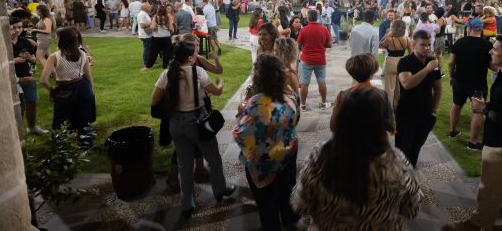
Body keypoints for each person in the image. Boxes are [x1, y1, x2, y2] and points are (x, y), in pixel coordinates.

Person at [292, 87, 422, 229]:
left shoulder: (318, 157)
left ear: (341, 120)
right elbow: (412, 210)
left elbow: (300, 205)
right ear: (379, 123)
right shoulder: (397, 162)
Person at [443, 36, 502, 231]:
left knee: (488, 190)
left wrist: (485, 108)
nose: (490, 52)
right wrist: (488, 106)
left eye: (494, 49)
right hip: (501, 143)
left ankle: (477, 224)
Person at [150, 42, 235, 218]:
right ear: (189, 58)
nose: (197, 56)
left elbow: (154, 101)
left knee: (184, 164)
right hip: (197, 122)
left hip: (175, 123)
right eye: (195, 54)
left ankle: (187, 204)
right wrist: (220, 82)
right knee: (213, 157)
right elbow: (216, 92)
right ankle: (220, 190)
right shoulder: (198, 72)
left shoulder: (167, 74)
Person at [233, 54, 300, 230]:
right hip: (286, 153)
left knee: (267, 202)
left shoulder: (255, 103)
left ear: (258, 76)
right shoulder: (291, 97)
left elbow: (241, 134)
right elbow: (294, 121)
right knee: (287, 190)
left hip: (262, 162)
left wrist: (240, 114)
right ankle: (290, 217)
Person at [40, 27, 96, 149]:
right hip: (83, 87)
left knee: (60, 121)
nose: (55, 38)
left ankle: (61, 149)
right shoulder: (82, 53)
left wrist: (53, 91)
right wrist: (91, 91)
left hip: (64, 89)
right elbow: (88, 75)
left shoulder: (54, 57)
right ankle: (86, 146)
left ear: (62, 40)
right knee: (83, 120)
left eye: (57, 36)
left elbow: (43, 80)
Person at [395, 29, 442, 167]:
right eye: (423, 45)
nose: (427, 48)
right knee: (403, 151)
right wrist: (427, 69)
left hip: (425, 114)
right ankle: (399, 182)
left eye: (429, 44)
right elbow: (407, 84)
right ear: (414, 44)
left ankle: (410, 180)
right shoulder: (405, 62)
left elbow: (438, 89)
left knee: (415, 150)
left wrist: (433, 109)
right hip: (406, 114)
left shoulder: (432, 62)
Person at [447, 18, 494, 150]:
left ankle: (452, 131)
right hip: (478, 83)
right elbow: (492, 65)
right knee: (478, 111)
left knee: (457, 104)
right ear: (480, 30)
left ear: (469, 28)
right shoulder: (487, 45)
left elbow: (451, 62)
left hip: (459, 80)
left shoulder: (459, 42)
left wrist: (451, 76)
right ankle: (473, 142)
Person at [330, 53, 395, 134]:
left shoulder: (342, 95)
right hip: (376, 142)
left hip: (349, 141)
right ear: (372, 73)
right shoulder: (383, 95)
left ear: (352, 74)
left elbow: (333, 126)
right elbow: (390, 125)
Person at [11, 17, 47, 135]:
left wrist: (30, 58)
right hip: (11, 78)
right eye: (14, 28)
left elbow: (33, 59)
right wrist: (13, 61)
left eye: (20, 27)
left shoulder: (25, 42)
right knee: (18, 106)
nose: (17, 30)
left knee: (32, 101)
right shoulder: (4, 43)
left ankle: (32, 127)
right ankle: (16, 132)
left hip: (27, 77)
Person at [297, 10, 333, 111]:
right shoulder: (324, 29)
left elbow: (298, 45)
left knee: (304, 83)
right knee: (321, 81)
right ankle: (323, 103)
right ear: (317, 17)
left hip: (306, 60)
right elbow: (330, 44)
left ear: (308, 18)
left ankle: (303, 105)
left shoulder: (303, 30)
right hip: (320, 59)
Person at [380, 19, 411, 108]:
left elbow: (381, 45)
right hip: (402, 63)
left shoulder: (389, 39)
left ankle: (389, 110)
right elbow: (411, 53)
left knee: (389, 89)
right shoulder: (407, 39)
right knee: (398, 89)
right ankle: (397, 108)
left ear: (393, 28)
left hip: (390, 63)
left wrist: (386, 34)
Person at [145, 5, 175, 70]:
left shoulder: (156, 17)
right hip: (166, 37)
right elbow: (171, 28)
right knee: (166, 53)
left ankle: (148, 66)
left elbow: (152, 27)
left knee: (153, 53)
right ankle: (165, 66)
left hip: (157, 37)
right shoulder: (168, 17)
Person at [30, 4, 54, 69]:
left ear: (41, 11)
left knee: (39, 57)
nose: (36, 11)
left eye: (37, 10)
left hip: (44, 40)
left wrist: (36, 29)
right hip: (41, 39)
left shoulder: (47, 19)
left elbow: (48, 31)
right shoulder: (41, 19)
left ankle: (51, 72)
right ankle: (54, 70)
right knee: (48, 56)